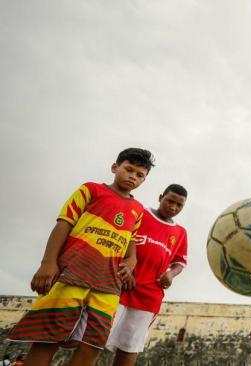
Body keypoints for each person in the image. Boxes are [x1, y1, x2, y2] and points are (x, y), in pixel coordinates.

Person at [6, 148, 155, 366]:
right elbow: (64, 222)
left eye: (140, 174)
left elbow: (131, 239)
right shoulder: (91, 190)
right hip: (72, 275)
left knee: (92, 346)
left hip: (109, 286)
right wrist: (48, 262)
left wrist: (132, 260)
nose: (133, 176)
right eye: (128, 169)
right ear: (115, 167)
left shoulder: (137, 209)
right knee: (47, 339)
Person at [105, 184, 189, 366]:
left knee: (129, 346)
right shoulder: (140, 214)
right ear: (160, 197)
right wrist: (126, 268)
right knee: (96, 338)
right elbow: (121, 239)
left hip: (149, 295)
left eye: (179, 205)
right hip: (119, 286)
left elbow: (180, 262)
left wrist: (171, 274)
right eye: (170, 201)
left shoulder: (180, 232)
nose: (173, 207)